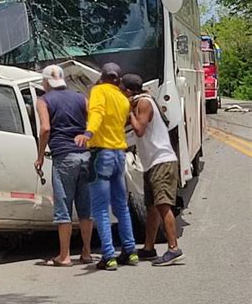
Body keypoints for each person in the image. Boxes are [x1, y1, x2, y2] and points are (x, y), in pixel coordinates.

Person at [75, 63, 138, 271]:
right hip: (119, 154)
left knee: (101, 208)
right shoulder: (123, 99)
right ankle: (130, 251)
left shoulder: (98, 91)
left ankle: (108, 255)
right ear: (119, 80)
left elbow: (97, 114)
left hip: (101, 153)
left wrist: (89, 133)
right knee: (121, 205)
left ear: (101, 77)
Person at [121, 73, 185, 266]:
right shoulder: (139, 102)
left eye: (122, 90)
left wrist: (129, 111)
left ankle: (174, 248)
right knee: (151, 208)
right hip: (151, 163)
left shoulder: (144, 103)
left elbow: (139, 129)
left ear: (129, 91)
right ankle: (149, 248)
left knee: (163, 205)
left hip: (162, 161)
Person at [35, 65, 93, 267]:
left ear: (45, 82)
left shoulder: (43, 101)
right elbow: (94, 120)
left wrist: (40, 155)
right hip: (85, 155)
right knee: (85, 208)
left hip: (63, 156)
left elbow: (45, 129)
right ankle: (86, 252)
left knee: (63, 208)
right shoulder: (80, 97)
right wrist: (86, 136)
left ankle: (65, 255)